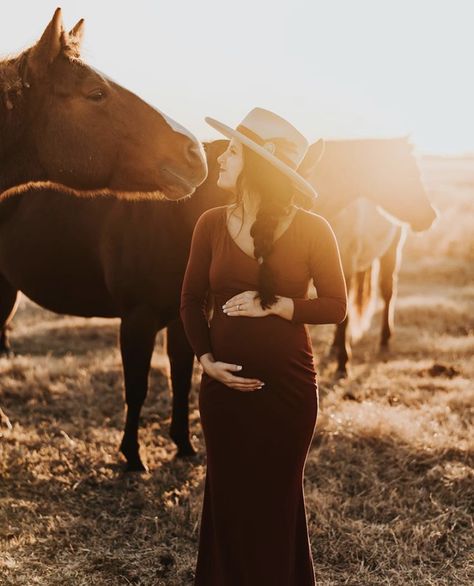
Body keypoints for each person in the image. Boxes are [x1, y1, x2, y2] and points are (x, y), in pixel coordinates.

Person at [180, 107, 347, 586]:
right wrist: (206, 361)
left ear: (258, 164)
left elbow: (336, 306)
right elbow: (190, 301)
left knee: (276, 503)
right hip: (223, 395)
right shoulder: (210, 224)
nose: (222, 158)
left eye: (232, 151)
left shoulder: (314, 229)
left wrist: (276, 305)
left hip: (288, 395)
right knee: (228, 501)